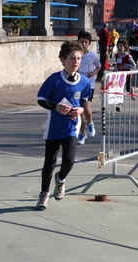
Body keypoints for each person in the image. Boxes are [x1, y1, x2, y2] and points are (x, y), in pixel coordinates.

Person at [36, 41, 92, 210]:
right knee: (49, 163)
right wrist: (56, 106)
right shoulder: (54, 79)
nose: (76, 62)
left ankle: (60, 179)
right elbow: (41, 99)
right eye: (72, 59)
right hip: (54, 128)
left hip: (71, 127)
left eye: (79, 59)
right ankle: (44, 193)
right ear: (62, 60)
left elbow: (85, 98)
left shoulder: (83, 81)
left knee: (69, 160)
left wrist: (81, 109)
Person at [77, 31, 101, 145]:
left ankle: (90, 123)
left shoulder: (92, 55)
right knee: (79, 111)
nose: (84, 44)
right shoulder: (76, 55)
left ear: (89, 43)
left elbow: (99, 66)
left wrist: (94, 72)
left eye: (86, 42)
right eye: (81, 41)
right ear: (78, 42)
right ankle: (82, 133)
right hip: (77, 85)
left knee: (86, 108)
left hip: (89, 85)